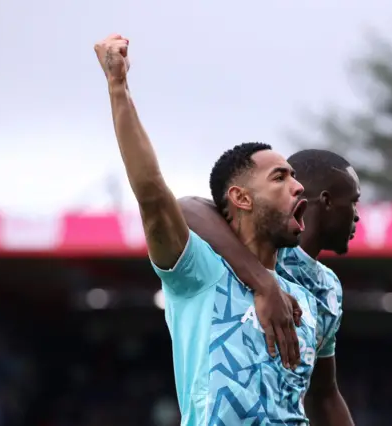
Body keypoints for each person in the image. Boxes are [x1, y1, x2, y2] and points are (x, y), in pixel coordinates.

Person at [94, 34, 319, 424]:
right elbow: (153, 194)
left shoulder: (303, 298)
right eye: (280, 177)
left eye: (295, 177)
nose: (298, 186)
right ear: (241, 198)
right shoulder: (199, 271)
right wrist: (118, 89)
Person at [179, 149, 360, 425]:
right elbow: (186, 207)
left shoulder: (328, 289)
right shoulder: (267, 243)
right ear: (326, 201)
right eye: (354, 202)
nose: (357, 216)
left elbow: (324, 393)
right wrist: (265, 283)